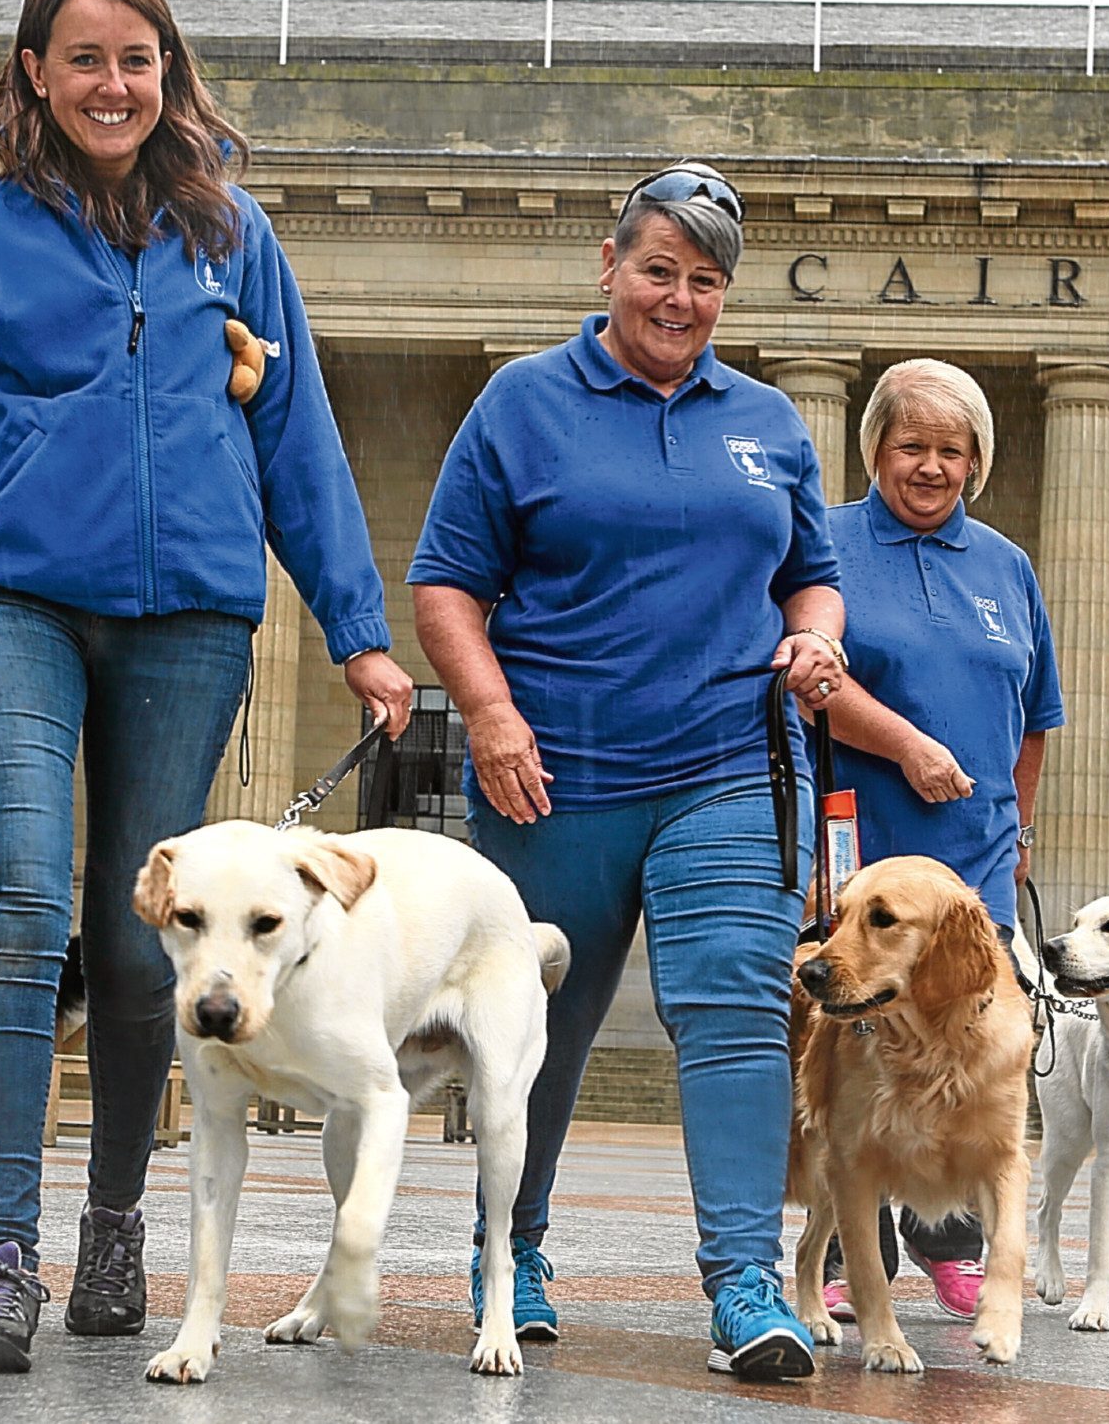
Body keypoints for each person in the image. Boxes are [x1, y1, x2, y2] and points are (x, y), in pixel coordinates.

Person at [0, 0, 415, 1376]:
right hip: (11, 603)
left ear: (167, 74)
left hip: (189, 617)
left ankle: (113, 1220)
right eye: (85, 58)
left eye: (139, 59)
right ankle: (1, 1252)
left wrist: (358, 631)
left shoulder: (233, 241)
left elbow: (298, 445)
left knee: (141, 928)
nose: (114, 84)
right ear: (34, 77)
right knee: (18, 903)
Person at [409, 162, 843, 1382]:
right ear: (609, 268)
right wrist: (487, 715)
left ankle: (745, 1280)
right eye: (659, 269)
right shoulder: (521, 403)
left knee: (734, 1012)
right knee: (534, 1024)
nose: (681, 298)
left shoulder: (766, 422)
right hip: (555, 775)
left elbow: (810, 568)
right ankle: (514, 1247)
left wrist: (819, 631)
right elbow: (445, 581)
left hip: (727, 766)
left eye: (706, 280)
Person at [813, 358, 1061, 1323]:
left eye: (950, 450)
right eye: (911, 445)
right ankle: (854, 1238)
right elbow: (809, 680)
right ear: (875, 447)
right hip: (859, 851)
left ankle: (951, 1231)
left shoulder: (1007, 564)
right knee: (857, 1049)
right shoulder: (826, 545)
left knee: (965, 1036)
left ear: (977, 462)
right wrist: (908, 745)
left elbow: (1035, 715)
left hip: (974, 859)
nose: (930, 466)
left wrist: (1021, 826)